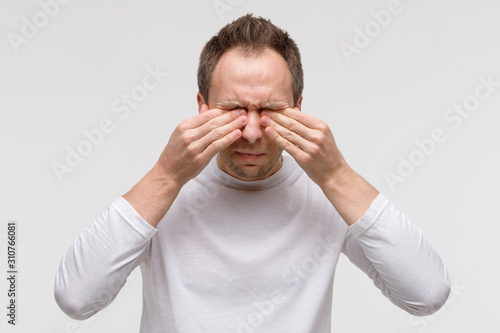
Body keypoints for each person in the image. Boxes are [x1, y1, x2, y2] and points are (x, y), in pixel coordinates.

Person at [54, 14, 450, 333]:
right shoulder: (163, 193)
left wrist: (337, 175)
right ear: (202, 106)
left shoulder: (330, 194)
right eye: (232, 110)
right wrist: (165, 176)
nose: (252, 131)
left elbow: (427, 293)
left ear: (298, 107)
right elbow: (76, 298)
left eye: (271, 111)